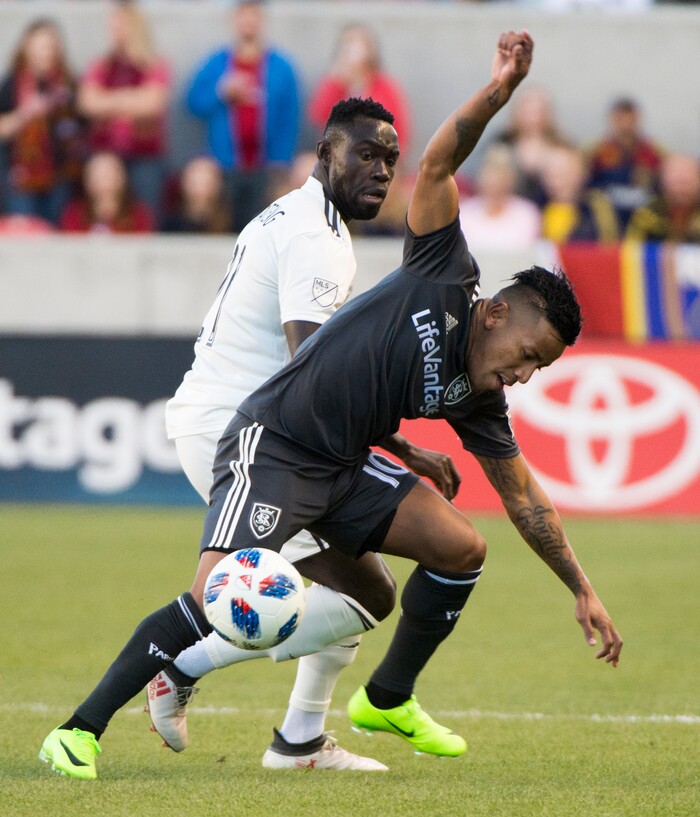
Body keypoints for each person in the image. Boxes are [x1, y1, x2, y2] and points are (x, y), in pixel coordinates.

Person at [39, 31, 623, 781]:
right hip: (272, 441)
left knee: (434, 562)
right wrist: (499, 92)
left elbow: (525, 498)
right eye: (530, 354)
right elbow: (319, 348)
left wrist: (582, 587)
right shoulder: (424, 267)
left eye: (389, 160)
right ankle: (81, 729)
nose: (526, 374)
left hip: (337, 457)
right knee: (222, 592)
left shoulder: (475, 392)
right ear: (498, 312)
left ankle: (366, 707)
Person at [186, 0, 300, 233]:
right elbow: (193, 102)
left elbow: (290, 117)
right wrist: (221, 92)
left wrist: (280, 158)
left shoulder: (281, 67)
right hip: (224, 163)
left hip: (267, 163)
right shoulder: (217, 64)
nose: (248, 21)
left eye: (253, 14)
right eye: (243, 14)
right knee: (202, 184)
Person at [77, 0, 171, 221]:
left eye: (120, 23)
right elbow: (87, 103)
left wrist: (108, 100)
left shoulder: (154, 64)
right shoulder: (102, 64)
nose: (114, 28)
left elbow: (151, 105)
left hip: (144, 155)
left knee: (147, 212)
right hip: (105, 152)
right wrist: (132, 98)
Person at [0, 18, 84, 225]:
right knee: (26, 230)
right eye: (42, 46)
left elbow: (81, 125)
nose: (47, 52)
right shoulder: (12, 84)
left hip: (62, 175)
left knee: (57, 230)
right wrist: (25, 113)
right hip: (22, 179)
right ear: (27, 48)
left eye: (51, 46)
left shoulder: (69, 83)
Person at [307, 23, 412, 158]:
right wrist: (334, 83)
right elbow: (317, 116)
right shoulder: (336, 84)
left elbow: (392, 131)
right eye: (345, 45)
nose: (348, 51)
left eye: (354, 45)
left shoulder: (386, 87)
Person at [586, 97, 664, 230]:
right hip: (605, 216)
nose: (626, 125)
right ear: (612, 119)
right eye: (620, 119)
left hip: (644, 216)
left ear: (638, 119)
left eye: (631, 119)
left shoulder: (655, 151)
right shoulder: (595, 151)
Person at [493, 84, 571, 207]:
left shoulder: (562, 145)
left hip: (553, 210)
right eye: (527, 111)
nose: (532, 117)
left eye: (537, 111)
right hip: (510, 210)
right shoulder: (501, 144)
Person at [458, 143, 541, 251]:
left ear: (510, 181)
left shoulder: (527, 214)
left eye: (500, 179)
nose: (494, 185)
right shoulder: (464, 213)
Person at [60, 150, 154, 233]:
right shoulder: (74, 214)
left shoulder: (139, 216)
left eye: (108, 172)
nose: (102, 179)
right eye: (96, 174)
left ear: (122, 177)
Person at [540, 144, 619, 243]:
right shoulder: (534, 209)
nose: (556, 181)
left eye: (564, 172)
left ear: (583, 174)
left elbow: (610, 246)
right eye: (550, 173)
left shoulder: (598, 210)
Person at [626, 152, 700, 243]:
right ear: (663, 181)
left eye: (687, 182)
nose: (682, 189)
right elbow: (632, 248)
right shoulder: (647, 214)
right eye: (676, 181)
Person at [160, 155, 233, 234]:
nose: (199, 188)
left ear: (218, 184)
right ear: (183, 183)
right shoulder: (170, 224)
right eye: (194, 181)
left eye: (206, 182)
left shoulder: (232, 221)